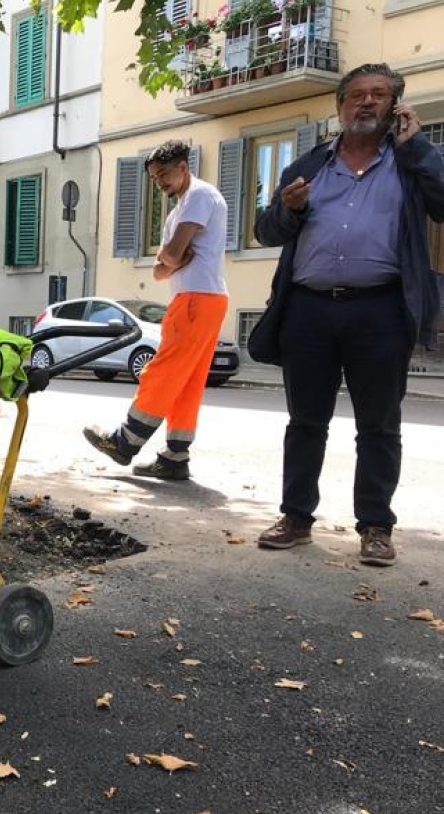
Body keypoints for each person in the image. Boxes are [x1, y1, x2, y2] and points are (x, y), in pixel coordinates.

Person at [253, 63, 444, 566]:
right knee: (305, 421)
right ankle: (296, 517)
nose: (366, 102)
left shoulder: (410, 164)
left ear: (396, 106)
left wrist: (418, 148)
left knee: (379, 424)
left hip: (381, 308)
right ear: (339, 107)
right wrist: (288, 210)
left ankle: (376, 526)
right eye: (356, 95)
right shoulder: (308, 166)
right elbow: (267, 232)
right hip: (309, 310)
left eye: (378, 95)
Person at [83, 140, 229, 480]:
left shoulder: (199, 197)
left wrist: (170, 255)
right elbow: (160, 269)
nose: (159, 182)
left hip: (195, 299)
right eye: (153, 177)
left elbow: (172, 259)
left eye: (163, 174)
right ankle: (175, 456)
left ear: (183, 167)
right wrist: (170, 255)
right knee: (186, 381)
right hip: (204, 298)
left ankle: (125, 441)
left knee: (162, 371)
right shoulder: (181, 209)